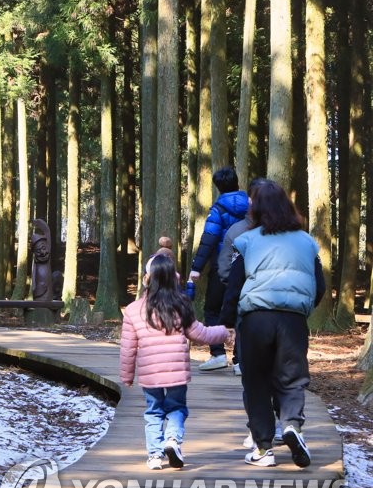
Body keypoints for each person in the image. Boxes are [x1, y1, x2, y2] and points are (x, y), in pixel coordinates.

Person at [220, 180, 325, 468]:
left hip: (256, 320)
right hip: (292, 321)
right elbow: (320, 287)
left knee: (255, 382)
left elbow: (234, 285)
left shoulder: (247, 242)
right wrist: (301, 307)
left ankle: (263, 449)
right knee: (291, 379)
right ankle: (291, 425)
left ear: (257, 210)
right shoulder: (307, 242)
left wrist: (227, 323)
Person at [120, 250, 229, 470]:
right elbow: (201, 334)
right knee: (177, 408)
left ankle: (154, 455)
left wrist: (127, 376)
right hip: (177, 372)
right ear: (174, 279)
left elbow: (128, 348)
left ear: (146, 279)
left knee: (154, 411)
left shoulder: (133, 310)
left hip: (150, 375)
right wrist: (225, 332)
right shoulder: (181, 304)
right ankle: (172, 439)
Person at [188, 166, 249, 371]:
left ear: (218, 187)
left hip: (222, 265)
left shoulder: (218, 209)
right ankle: (241, 360)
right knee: (243, 310)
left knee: (212, 308)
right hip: (248, 266)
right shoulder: (251, 207)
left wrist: (196, 267)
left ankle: (218, 354)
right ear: (237, 182)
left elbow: (210, 239)